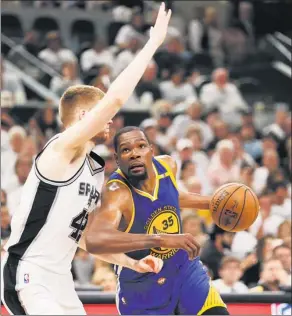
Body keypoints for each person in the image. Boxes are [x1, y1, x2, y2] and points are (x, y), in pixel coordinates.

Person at [1, 4, 172, 315]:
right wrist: (152, 44)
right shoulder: (59, 149)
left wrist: (132, 262)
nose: (110, 121)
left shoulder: (94, 169)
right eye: (102, 113)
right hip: (28, 274)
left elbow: (86, 240)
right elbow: (116, 99)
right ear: (83, 116)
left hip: (61, 280)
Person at [85, 126, 229, 315]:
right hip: (143, 288)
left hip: (184, 271)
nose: (135, 154)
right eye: (126, 150)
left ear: (151, 151)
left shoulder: (167, 166)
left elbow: (170, 195)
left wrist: (212, 203)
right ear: (118, 159)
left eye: (141, 146)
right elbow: (95, 240)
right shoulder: (117, 193)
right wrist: (160, 239)